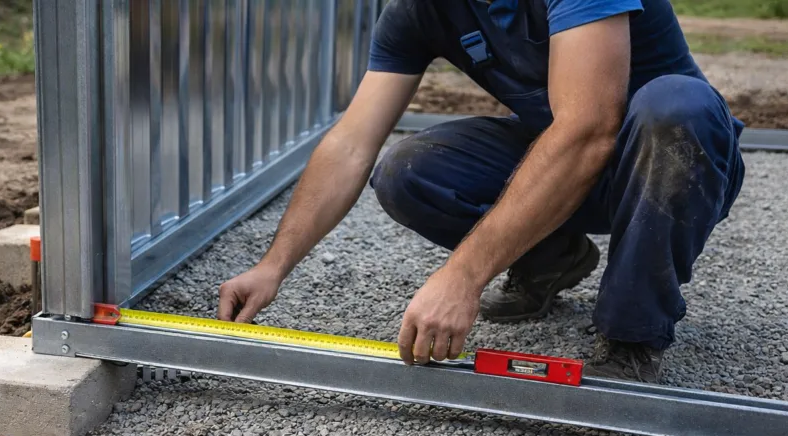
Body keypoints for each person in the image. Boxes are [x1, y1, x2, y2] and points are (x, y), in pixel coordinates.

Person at [217, 0, 745, 383]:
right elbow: (352, 144)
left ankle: (634, 335)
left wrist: (461, 277)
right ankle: (550, 258)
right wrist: (274, 265)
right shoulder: (416, 12)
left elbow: (590, 130)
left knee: (676, 106)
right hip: (569, 164)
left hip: (672, 164)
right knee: (409, 168)